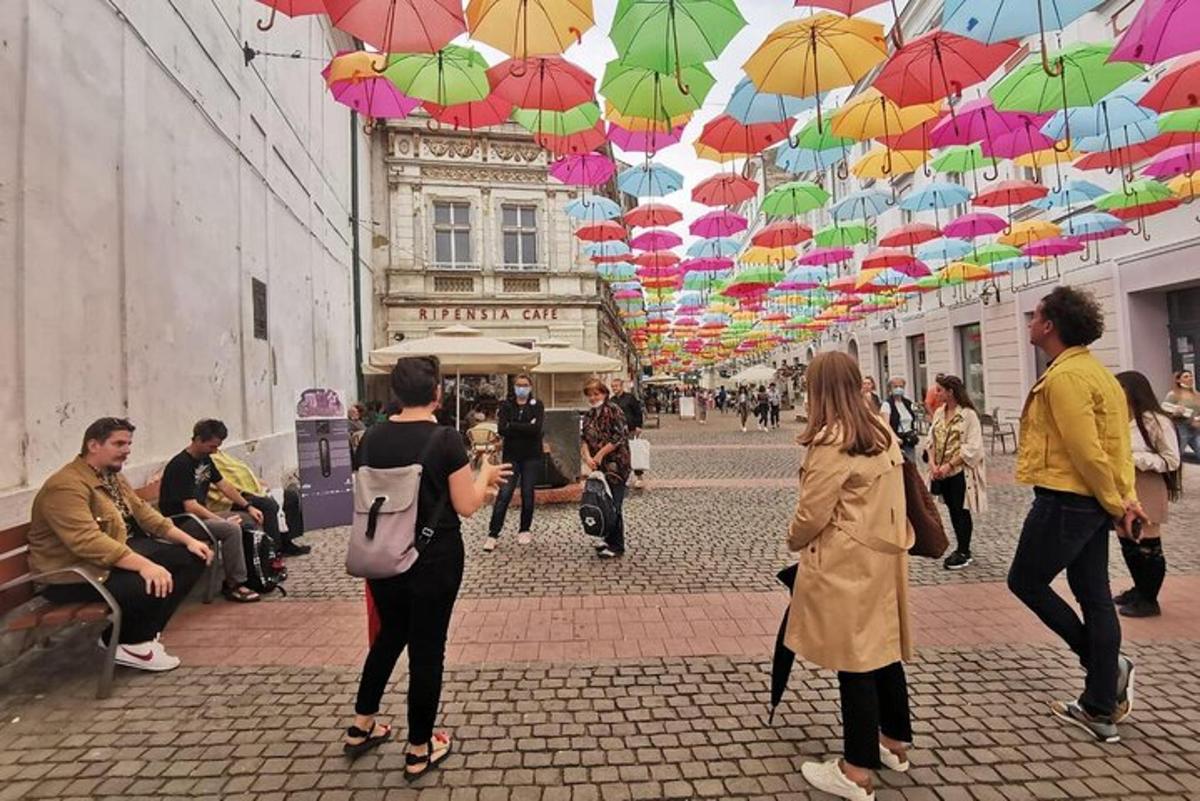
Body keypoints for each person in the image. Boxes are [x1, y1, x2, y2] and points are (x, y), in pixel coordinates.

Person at [345, 356, 510, 773]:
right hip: (433, 558)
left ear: (395, 394)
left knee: (389, 635)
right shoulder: (445, 439)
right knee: (426, 649)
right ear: (437, 394)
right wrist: (485, 474)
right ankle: (419, 747)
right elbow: (467, 505)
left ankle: (361, 725)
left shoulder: (369, 439)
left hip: (382, 553)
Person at [1007, 286, 1143, 744]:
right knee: (1093, 593)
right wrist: (1123, 498)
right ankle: (1098, 705)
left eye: (1034, 317)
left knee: (1024, 581)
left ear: (1049, 325)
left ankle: (1104, 669)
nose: (1029, 324)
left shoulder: (1066, 377)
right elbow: (1115, 446)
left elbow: (1087, 449)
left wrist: (1116, 501)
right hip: (1090, 501)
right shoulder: (1098, 373)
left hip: (1066, 498)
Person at [787, 352, 912, 801]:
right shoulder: (880, 428)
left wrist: (793, 538)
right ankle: (894, 741)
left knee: (854, 659)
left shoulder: (831, 439)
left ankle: (856, 769)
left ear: (818, 389)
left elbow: (812, 512)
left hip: (846, 560)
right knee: (882, 649)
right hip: (883, 556)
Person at [28, 418, 213, 671]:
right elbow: (88, 542)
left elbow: (145, 514)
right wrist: (146, 565)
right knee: (149, 581)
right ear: (93, 445)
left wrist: (190, 540)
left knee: (192, 558)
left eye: (129, 444)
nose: (127, 450)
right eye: (119, 443)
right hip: (71, 575)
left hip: (102, 563)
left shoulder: (111, 476)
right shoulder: (65, 486)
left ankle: (133, 635)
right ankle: (134, 644)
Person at [159, 419, 263, 603]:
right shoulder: (180, 465)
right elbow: (190, 506)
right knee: (230, 529)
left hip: (199, 515)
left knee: (249, 519)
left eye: (217, 446)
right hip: (181, 521)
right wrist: (221, 521)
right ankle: (234, 584)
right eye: (212, 446)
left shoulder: (205, 459)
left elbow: (224, 486)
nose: (215, 451)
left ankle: (256, 572)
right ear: (198, 439)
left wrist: (248, 506)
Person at [1114, 371, 1182, 618]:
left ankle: (1149, 598)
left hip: (1147, 483)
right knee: (1127, 538)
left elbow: (1171, 459)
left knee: (1148, 542)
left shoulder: (1155, 420)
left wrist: (1135, 459)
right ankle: (1140, 588)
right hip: (1124, 486)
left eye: (1119, 389)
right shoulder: (1121, 419)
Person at [926, 375, 987, 571]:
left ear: (950, 392)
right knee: (952, 509)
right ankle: (960, 547)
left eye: (940, 390)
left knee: (961, 510)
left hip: (959, 472)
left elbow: (973, 447)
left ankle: (964, 550)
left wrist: (949, 465)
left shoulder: (968, 415)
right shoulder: (939, 413)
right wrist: (933, 465)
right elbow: (931, 440)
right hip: (941, 472)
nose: (937, 393)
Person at [207, 449, 310, 556]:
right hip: (228, 499)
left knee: (291, 496)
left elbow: (241, 473)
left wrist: (256, 483)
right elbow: (226, 486)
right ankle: (273, 550)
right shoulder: (205, 461)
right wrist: (248, 505)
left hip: (248, 491)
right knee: (268, 505)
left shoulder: (220, 454)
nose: (216, 447)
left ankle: (287, 540)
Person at [484, 374, 543, 551]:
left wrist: (514, 425)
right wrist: (524, 425)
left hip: (531, 456)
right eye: (519, 385)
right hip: (511, 456)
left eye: (525, 385)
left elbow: (536, 429)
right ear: (514, 387)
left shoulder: (537, 405)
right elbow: (502, 429)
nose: (522, 388)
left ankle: (524, 529)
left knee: (527, 493)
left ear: (530, 387)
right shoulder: (506, 405)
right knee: (504, 494)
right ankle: (493, 534)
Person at [581, 378, 632, 559]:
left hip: (616, 464)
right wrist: (587, 457)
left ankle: (617, 545)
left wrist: (601, 453)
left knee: (614, 504)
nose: (593, 398)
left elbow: (619, 436)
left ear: (604, 393)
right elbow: (584, 438)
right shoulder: (589, 415)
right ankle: (605, 536)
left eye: (597, 393)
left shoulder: (613, 410)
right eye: (590, 395)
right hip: (597, 465)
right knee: (601, 501)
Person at [611, 378, 646, 488]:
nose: (614, 388)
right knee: (621, 455)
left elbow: (638, 412)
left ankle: (639, 476)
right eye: (612, 386)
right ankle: (623, 477)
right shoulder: (612, 400)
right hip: (617, 431)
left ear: (621, 386)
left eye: (616, 386)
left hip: (630, 430)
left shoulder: (630, 398)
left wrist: (639, 426)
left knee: (634, 452)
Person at [1163, 369, 1200, 462]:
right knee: (1177, 455)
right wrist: (1175, 413)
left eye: (1191, 376)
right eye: (1186, 376)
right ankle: (1173, 474)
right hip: (1181, 429)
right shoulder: (1173, 395)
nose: (1190, 378)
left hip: (1195, 429)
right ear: (1178, 380)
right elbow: (1164, 412)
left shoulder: (1197, 395)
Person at [881, 378, 919, 462]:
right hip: (897, 440)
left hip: (909, 440)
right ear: (890, 389)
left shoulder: (908, 403)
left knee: (911, 466)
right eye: (895, 386)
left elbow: (912, 420)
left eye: (901, 386)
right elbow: (886, 424)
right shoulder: (887, 404)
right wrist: (895, 438)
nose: (899, 389)